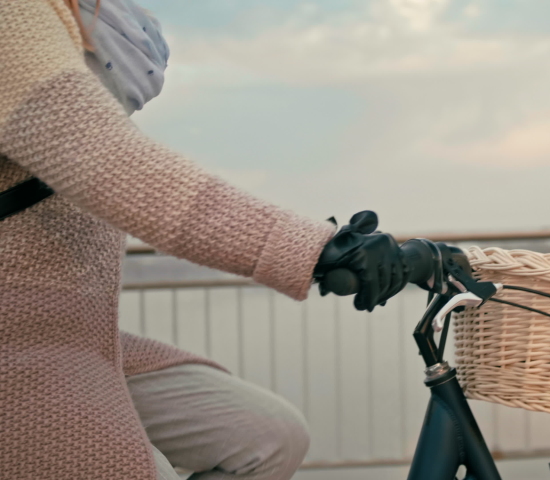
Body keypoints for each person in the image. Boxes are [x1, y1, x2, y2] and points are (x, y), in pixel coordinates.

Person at [0, 1, 408, 479]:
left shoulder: (83, 15)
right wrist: (316, 249)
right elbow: (107, 162)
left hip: (73, 333)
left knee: (267, 435)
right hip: (18, 344)